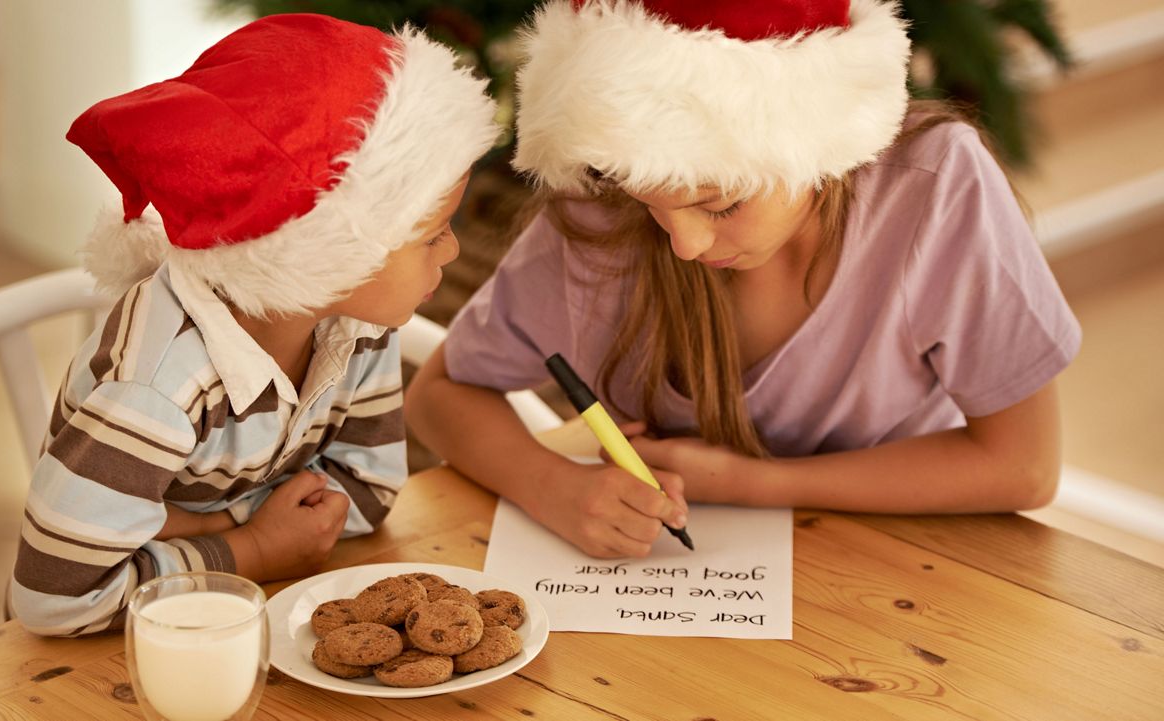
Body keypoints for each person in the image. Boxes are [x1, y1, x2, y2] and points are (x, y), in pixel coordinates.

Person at [406, 0, 1081, 559]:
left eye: (718, 203)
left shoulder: (933, 188)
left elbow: (1023, 467)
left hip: (911, 571)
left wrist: (753, 482)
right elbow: (442, 394)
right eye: (650, 205)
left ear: (818, 143)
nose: (686, 243)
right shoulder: (597, 202)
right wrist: (548, 484)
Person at [10, 13, 499, 635]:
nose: (452, 253)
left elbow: (368, 493)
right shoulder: (156, 390)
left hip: (253, 617)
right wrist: (254, 548)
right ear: (328, 251)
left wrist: (196, 523)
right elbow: (53, 600)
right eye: (433, 234)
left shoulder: (355, 322)